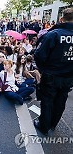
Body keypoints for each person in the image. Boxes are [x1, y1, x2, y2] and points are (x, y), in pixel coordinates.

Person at [34, 8, 73, 136]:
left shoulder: (54, 34)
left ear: (62, 19)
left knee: (47, 100)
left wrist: (44, 70)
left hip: (51, 75)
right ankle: (53, 123)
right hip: (68, 77)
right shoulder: (54, 34)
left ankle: (44, 126)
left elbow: (39, 55)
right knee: (61, 100)